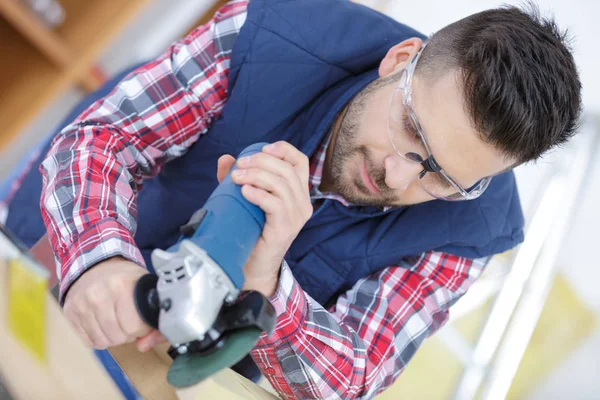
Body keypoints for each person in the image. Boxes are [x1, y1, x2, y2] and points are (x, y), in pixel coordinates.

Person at [3, 0, 581, 398]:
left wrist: (267, 283)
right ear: (401, 61)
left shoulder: (475, 227)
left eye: (442, 178)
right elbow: (107, 141)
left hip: (170, 374)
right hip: (53, 252)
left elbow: (352, 377)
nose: (399, 177)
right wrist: (99, 261)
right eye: (412, 131)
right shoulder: (272, 33)